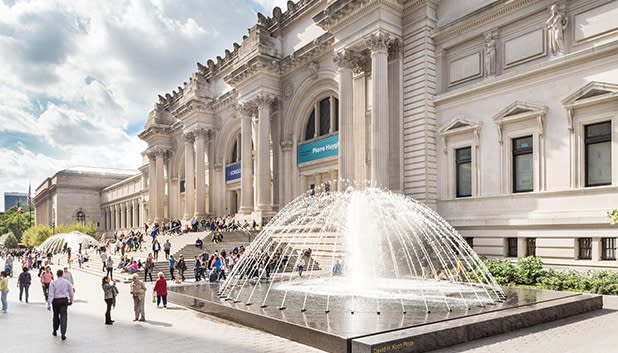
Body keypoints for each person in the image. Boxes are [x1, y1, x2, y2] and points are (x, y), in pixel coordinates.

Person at [47, 269, 74, 340]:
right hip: (64, 300)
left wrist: (49, 304)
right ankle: (63, 333)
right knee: (64, 316)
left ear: (56, 274)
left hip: (56, 300)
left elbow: (51, 294)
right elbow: (71, 293)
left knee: (55, 315)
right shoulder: (67, 282)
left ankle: (55, 330)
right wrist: (71, 300)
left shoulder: (53, 282)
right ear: (62, 274)